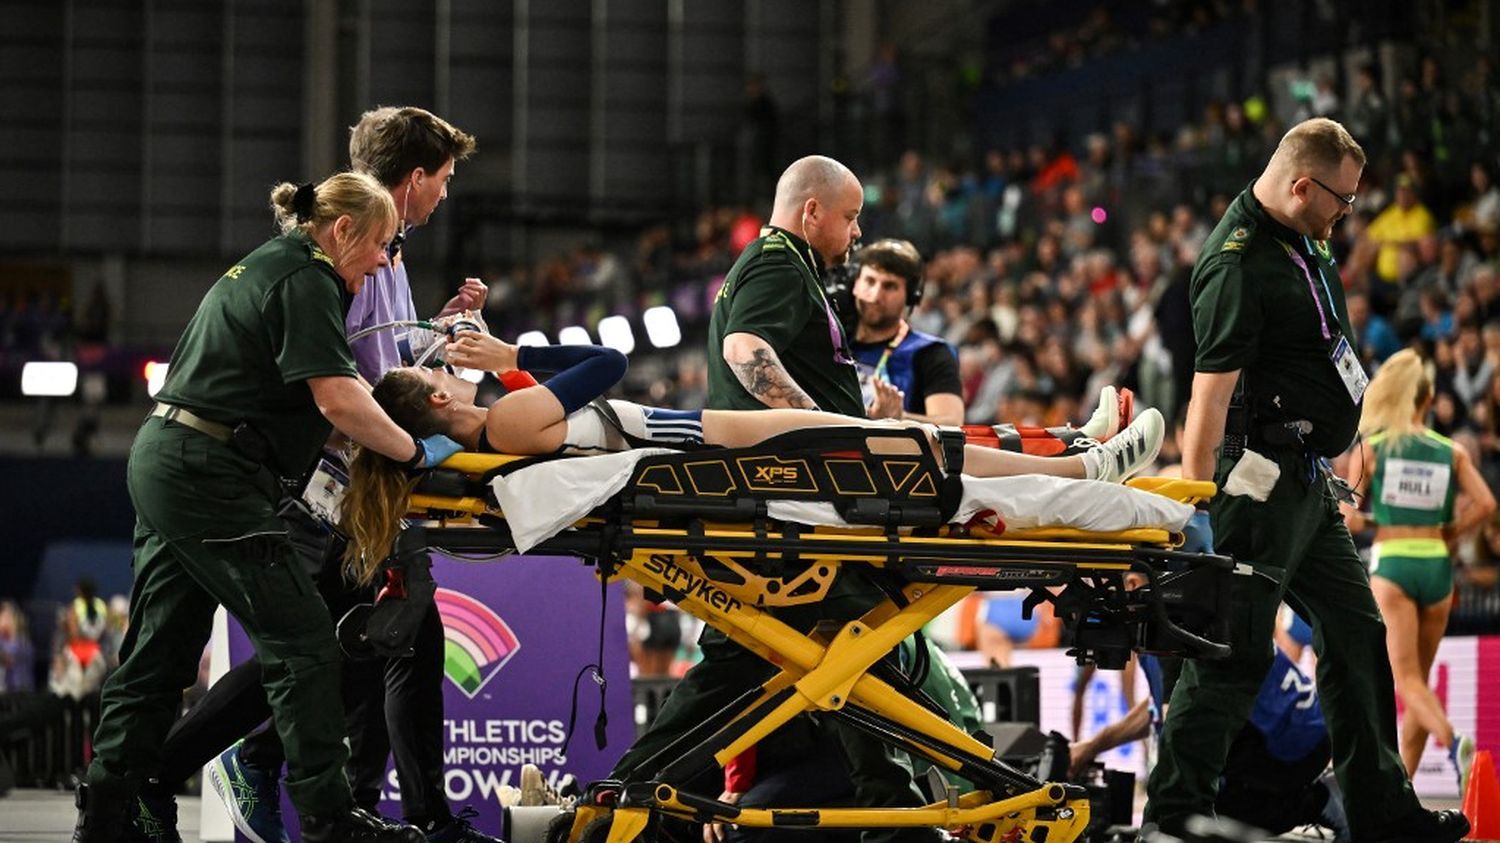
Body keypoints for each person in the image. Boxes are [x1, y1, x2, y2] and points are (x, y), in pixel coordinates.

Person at [135, 108, 494, 843]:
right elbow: (348, 384)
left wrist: (434, 332)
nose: (446, 196)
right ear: (416, 178)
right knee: (326, 640)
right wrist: (417, 446)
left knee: (380, 638)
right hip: (335, 486)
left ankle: (361, 802)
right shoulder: (348, 254)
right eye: (445, 181)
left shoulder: (376, 251)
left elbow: (380, 362)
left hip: (359, 478)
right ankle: (234, 772)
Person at [1144, 117, 1468, 843]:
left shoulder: (1299, 236)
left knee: (1356, 628)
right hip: (1254, 483)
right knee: (1233, 653)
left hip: (1304, 478)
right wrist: (1197, 507)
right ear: (1300, 185)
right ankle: (1169, 818)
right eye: (1342, 200)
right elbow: (1209, 394)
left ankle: (1382, 813)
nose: (1348, 212)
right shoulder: (1235, 263)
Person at [339, 334, 1165, 574]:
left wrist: (507, 359)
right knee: (914, 446)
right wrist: (514, 347)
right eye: (439, 373)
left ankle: (1082, 455)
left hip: (704, 441)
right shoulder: (508, 421)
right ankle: (1085, 467)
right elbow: (606, 365)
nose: (450, 369)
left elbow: (569, 391)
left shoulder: (504, 423)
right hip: (716, 444)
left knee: (915, 442)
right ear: (441, 400)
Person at [1341, 348, 1495, 782]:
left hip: (1394, 566)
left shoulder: (1372, 450)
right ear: (1427, 401)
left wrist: (1370, 518)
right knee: (1420, 682)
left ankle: (1452, 741)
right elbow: (1485, 504)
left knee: (1406, 680)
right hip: (1437, 568)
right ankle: (1403, 792)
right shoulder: (1451, 452)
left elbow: (1349, 517)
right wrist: (1449, 533)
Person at [1071, 648, 1349, 842]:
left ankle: (1315, 800)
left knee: (1190, 808)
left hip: (1290, 743)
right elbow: (1165, 705)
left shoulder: (1168, 631)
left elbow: (1183, 732)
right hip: (1291, 727)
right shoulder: (1167, 614)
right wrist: (1091, 746)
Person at [847, 238, 964, 425]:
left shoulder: (931, 353)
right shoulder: (832, 340)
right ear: (855, 284)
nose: (876, 295)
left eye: (889, 286)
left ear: (911, 297)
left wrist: (900, 417)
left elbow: (952, 423)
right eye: (870, 281)